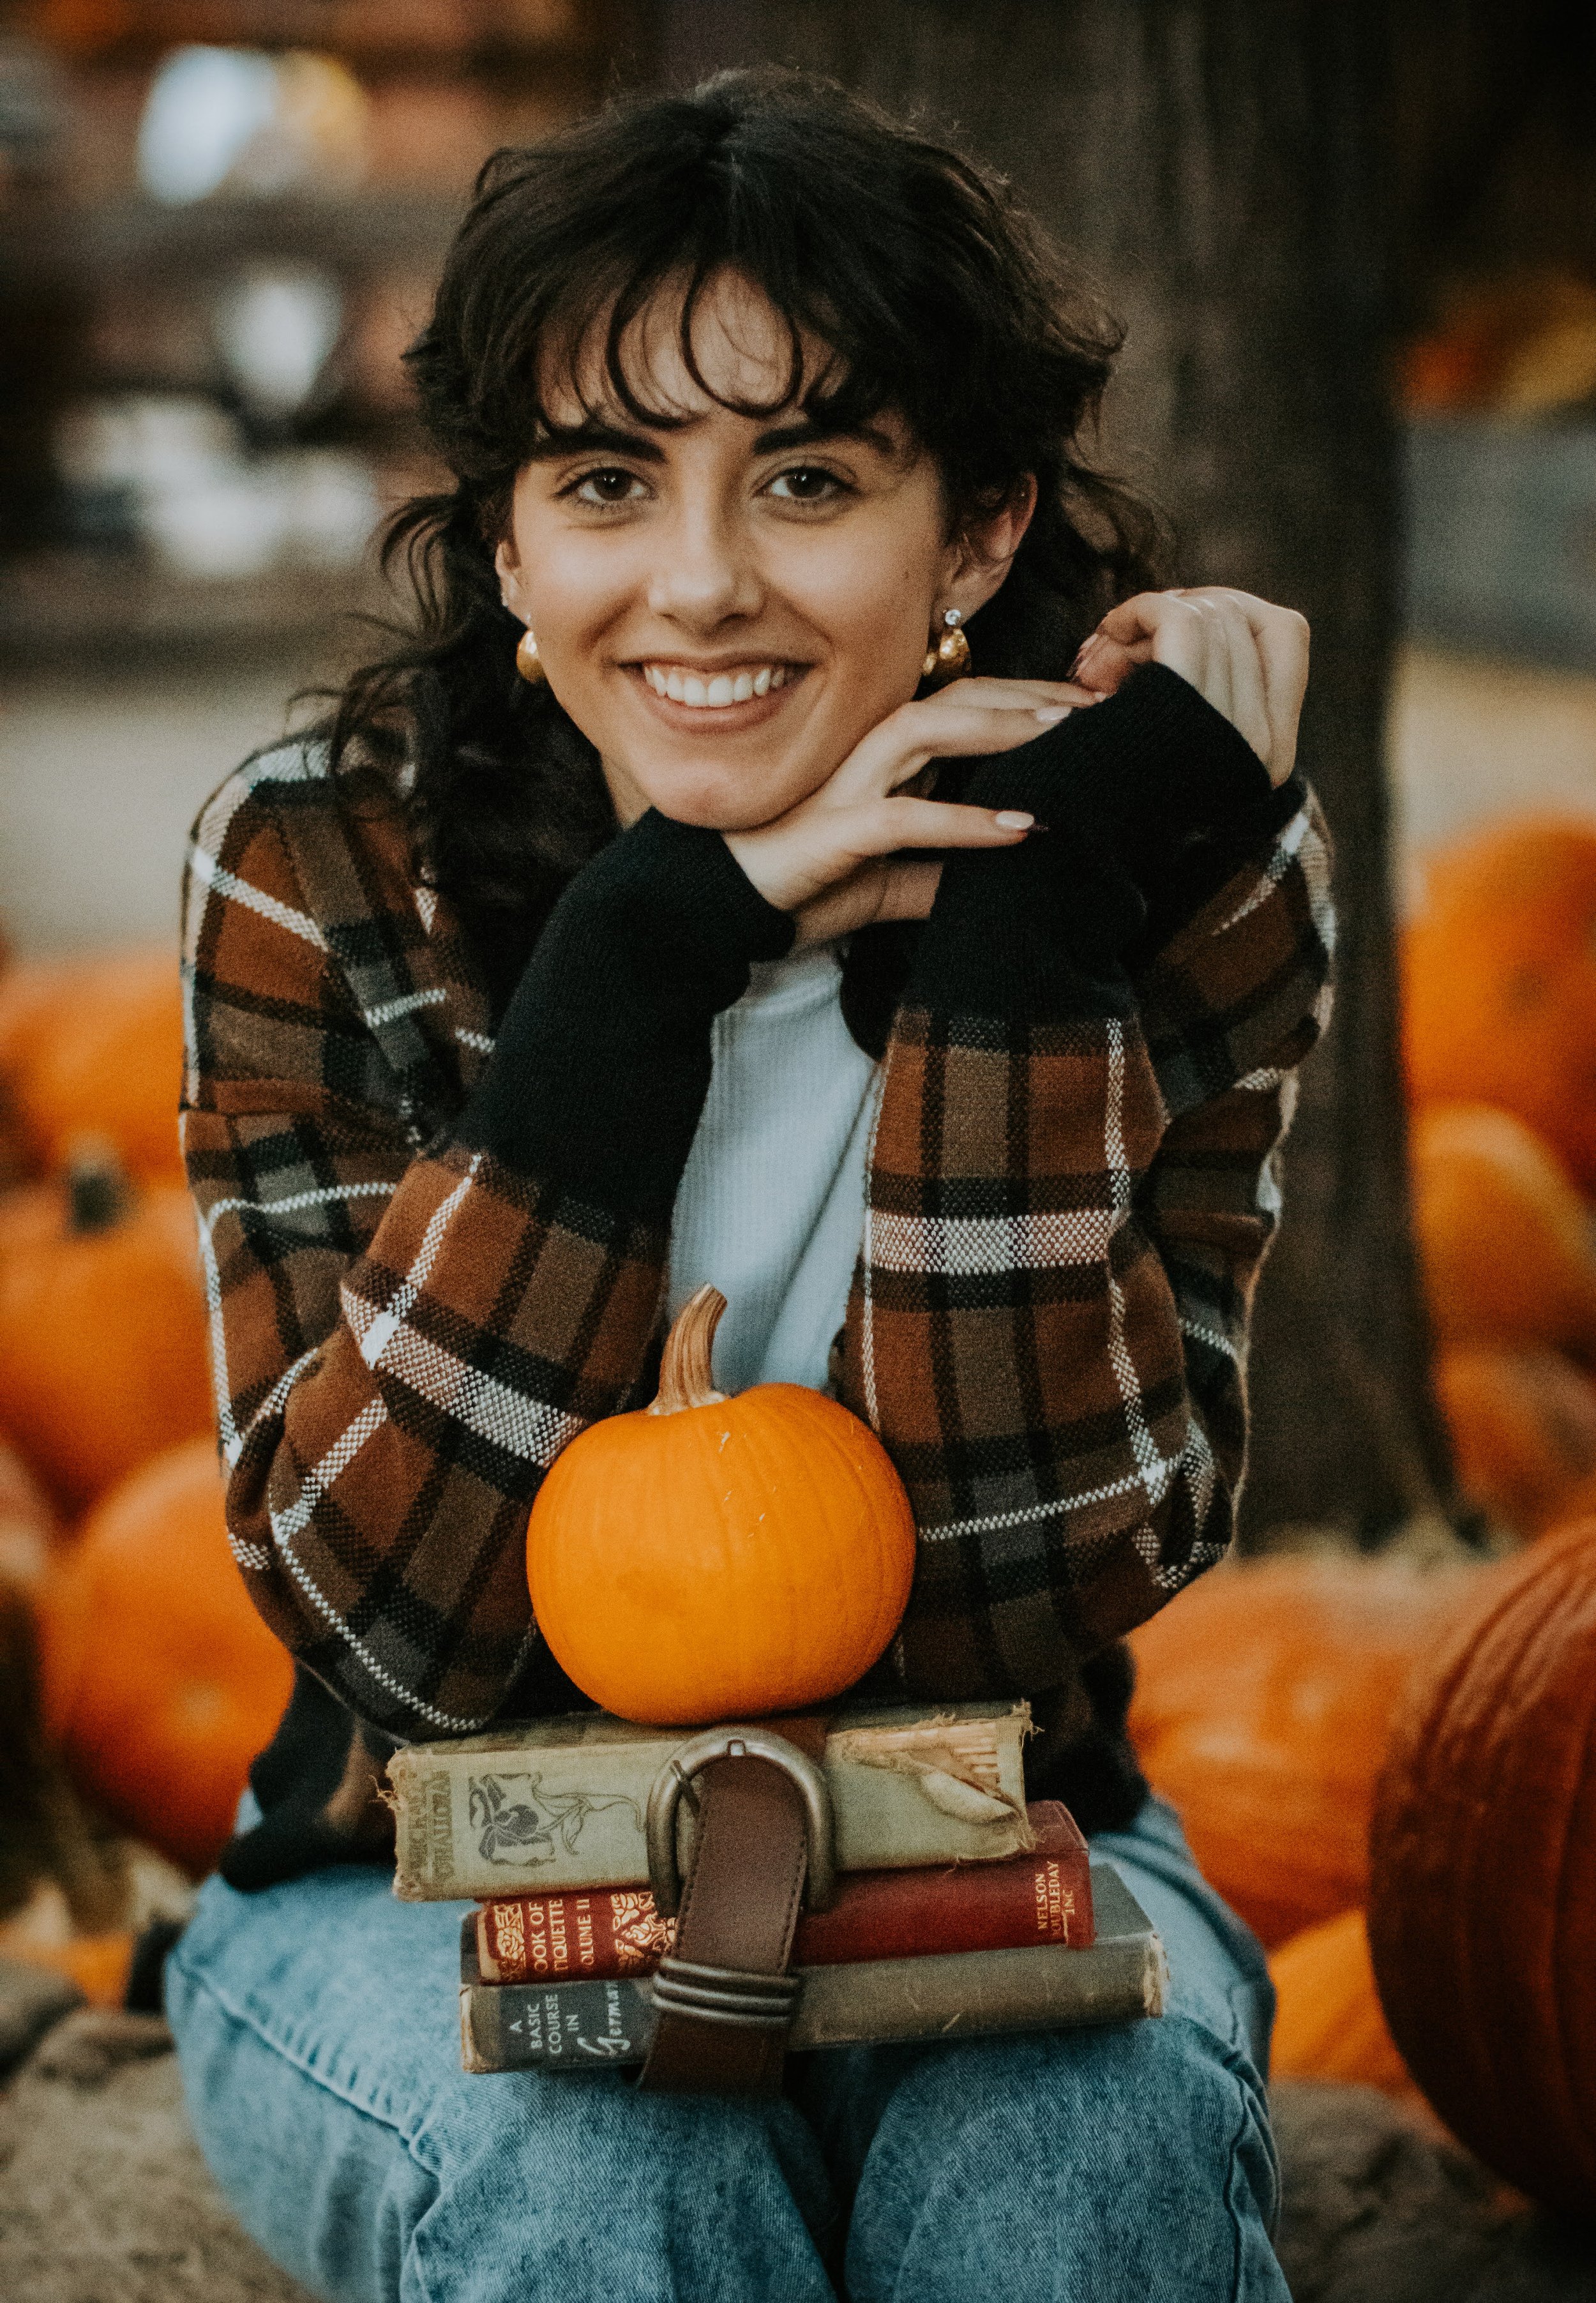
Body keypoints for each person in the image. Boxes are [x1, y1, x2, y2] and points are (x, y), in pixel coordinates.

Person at [165, 66, 1332, 2303]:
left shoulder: (1171, 864)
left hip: (1001, 1833)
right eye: (609, 481)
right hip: (405, 1871)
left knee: (1080, 2161)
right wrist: (642, 959)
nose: (701, 581)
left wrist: (1021, 931)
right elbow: (390, 1628)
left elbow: (1028, 1597)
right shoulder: (326, 865)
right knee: (606, 2193)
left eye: (808, 478)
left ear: (975, 535)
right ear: (511, 542)